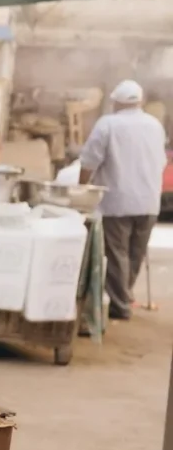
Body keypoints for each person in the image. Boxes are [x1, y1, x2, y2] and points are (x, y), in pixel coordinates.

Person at [80, 79, 167, 320]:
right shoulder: (154, 125)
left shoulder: (108, 124)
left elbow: (89, 160)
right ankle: (124, 294)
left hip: (117, 199)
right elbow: (161, 161)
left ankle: (120, 305)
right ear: (140, 102)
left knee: (117, 253)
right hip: (149, 200)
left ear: (116, 102)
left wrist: (81, 188)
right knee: (135, 254)